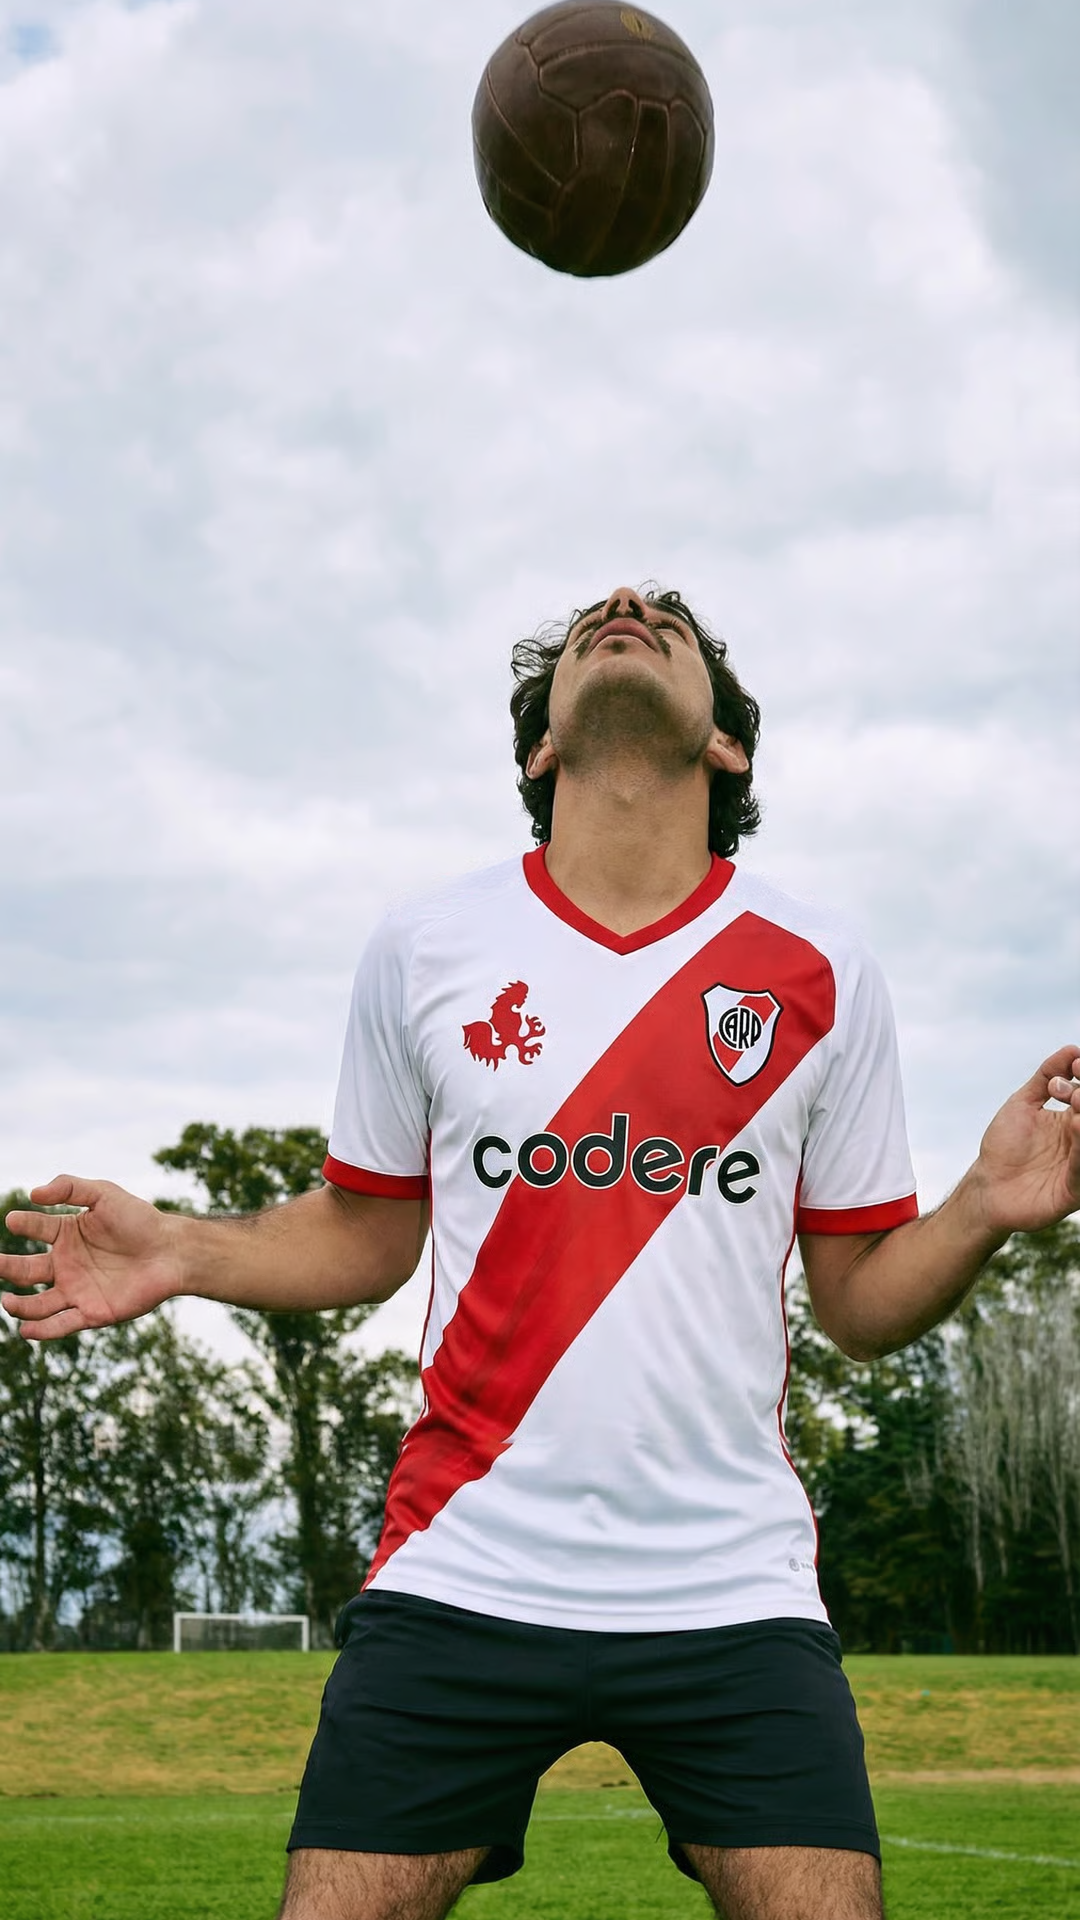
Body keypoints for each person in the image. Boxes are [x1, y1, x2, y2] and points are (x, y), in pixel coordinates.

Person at [2, 584, 1077, 1920]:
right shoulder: (425, 948)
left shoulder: (820, 966)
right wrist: (180, 1248)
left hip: (729, 1585)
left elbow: (857, 1304)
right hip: (463, 1566)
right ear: (541, 748)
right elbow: (365, 1233)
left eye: (666, 618)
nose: (626, 605)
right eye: (591, 625)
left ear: (727, 744)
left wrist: (980, 1204)